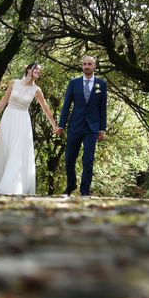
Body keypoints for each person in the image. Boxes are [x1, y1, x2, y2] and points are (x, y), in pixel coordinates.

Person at [0, 63, 59, 195]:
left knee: (17, 151)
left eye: (40, 70)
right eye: (36, 68)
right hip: (9, 118)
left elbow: (45, 108)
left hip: (22, 121)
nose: (38, 71)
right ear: (28, 69)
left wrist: (53, 124)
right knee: (5, 149)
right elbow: (4, 100)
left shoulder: (36, 90)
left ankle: (11, 187)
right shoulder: (14, 83)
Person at [56, 56, 107, 196]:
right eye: (84, 64)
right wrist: (61, 125)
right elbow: (66, 106)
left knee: (88, 159)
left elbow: (103, 108)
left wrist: (102, 129)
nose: (86, 66)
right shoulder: (74, 83)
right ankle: (71, 185)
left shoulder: (101, 84)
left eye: (89, 64)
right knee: (69, 158)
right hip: (75, 125)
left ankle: (84, 191)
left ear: (94, 66)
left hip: (92, 127)